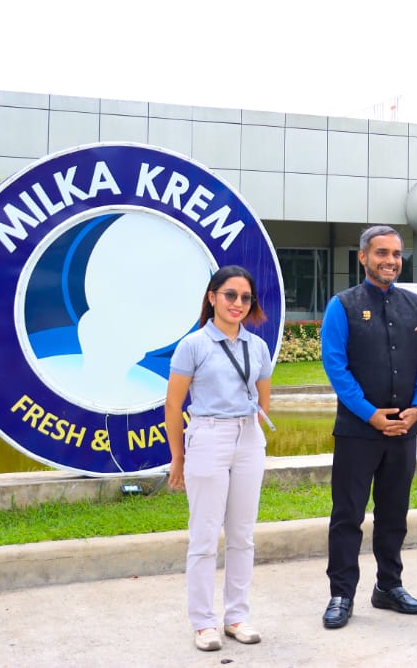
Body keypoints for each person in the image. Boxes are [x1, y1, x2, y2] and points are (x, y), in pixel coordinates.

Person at [320, 225, 417, 630]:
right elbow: (336, 367)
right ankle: (341, 594)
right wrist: (370, 413)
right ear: (363, 257)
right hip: (358, 432)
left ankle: (388, 586)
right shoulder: (342, 306)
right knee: (347, 515)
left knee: (394, 513)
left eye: (396, 254)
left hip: (404, 429)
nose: (390, 260)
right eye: (381, 253)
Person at [165, 265, 274, 653]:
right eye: (230, 295)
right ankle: (203, 623)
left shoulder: (256, 346)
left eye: (246, 297)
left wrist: (249, 431)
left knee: (242, 534)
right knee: (205, 535)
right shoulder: (193, 345)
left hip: (248, 438)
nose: (238, 303)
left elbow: (263, 399)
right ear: (212, 297)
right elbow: (173, 405)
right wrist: (178, 457)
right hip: (208, 435)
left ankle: (237, 617)